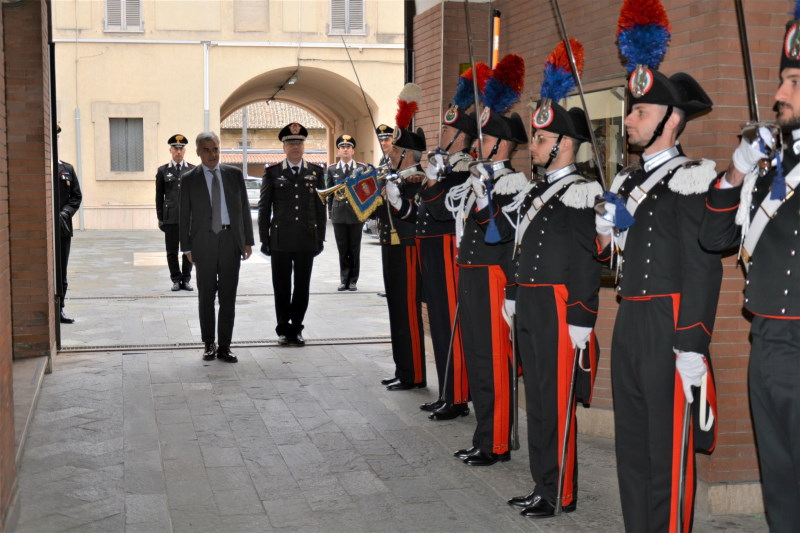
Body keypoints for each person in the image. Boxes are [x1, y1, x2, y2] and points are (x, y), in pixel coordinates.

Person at [595, 10, 721, 528]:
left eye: (640, 112)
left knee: (668, 449)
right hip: (630, 320)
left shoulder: (695, 178)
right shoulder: (625, 183)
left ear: (672, 119)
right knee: (633, 447)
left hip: (670, 324)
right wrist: (604, 231)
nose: (628, 120)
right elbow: (607, 260)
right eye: (630, 111)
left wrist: (692, 343)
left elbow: (704, 268)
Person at [698, 13, 800, 530]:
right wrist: (739, 166)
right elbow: (713, 239)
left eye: (794, 82)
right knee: (779, 481)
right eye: (783, 79)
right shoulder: (769, 172)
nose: (780, 92)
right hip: (765, 340)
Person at [505, 95, 602, 516]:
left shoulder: (582, 192)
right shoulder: (536, 189)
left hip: (559, 305)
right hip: (530, 301)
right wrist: (513, 290)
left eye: (541, 139)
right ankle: (542, 483)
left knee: (556, 399)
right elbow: (519, 246)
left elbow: (585, 260)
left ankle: (559, 490)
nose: (534, 146)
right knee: (538, 399)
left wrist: (581, 315)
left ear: (563, 143)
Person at [445, 53, 528, 467]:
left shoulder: (514, 181)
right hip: (471, 276)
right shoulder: (477, 176)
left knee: (495, 362)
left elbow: (500, 233)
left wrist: (483, 196)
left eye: (482, 139)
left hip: (495, 277)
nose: (474, 145)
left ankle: (497, 442)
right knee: (477, 357)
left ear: (501, 143)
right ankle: (483, 436)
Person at [416, 63, 490, 420]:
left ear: (462, 137)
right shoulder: (447, 165)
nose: (442, 135)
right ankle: (448, 389)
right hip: (432, 247)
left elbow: (443, 208)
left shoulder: (465, 166)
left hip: (448, 247)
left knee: (451, 322)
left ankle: (458, 394)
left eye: (448, 130)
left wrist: (432, 179)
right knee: (440, 323)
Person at [179, 131, 254, 363]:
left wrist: (247, 240)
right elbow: (184, 216)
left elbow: (243, 208)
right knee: (206, 297)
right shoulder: (189, 179)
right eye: (207, 150)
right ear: (198, 152)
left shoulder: (234, 175)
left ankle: (225, 346)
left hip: (230, 241)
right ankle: (209, 344)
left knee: (228, 297)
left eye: (215, 149)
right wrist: (187, 248)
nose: (212, 154)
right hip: (204, 243)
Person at [377, 84, 427, 391]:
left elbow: (416, 215)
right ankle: (402, 368)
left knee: (408, 312)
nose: (390, 153)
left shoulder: (419, 178)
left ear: (408, 154)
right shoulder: (396, 177)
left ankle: (414, 374)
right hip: (391, 249)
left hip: (408, 250)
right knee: (396, 310)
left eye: (395, 150)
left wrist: (397, 198)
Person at [259, 122, 326, 346]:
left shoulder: (316, 172)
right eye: (291, 143)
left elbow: (320, 207)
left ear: (304, 146)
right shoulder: (272, 172)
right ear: (284, 147)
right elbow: (263, 208)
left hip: (306, 238)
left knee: (302, 286)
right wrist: (264, 239)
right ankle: (282, 328)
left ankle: (296, 328)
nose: (295, 147)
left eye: (299, 142)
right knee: (281, 286)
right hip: (280, 240)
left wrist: (320, 237)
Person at [326, 135, 366, 291]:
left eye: (348, 147)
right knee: (342, 249)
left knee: (354, 249)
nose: (345, 149)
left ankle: (353, 280)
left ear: (353, 151)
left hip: (356, 214)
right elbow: (329, 192)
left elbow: (365, 192)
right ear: (338, 151)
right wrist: (331, 212)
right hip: (339, 214)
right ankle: (344, 279)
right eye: (342, 147)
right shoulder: (331, 169)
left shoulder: (362, 168)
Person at [156, 134, 194, 292]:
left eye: (181, 148)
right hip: (170, 218)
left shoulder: (192, 170)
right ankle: (176, 280)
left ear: (184, 150)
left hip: (189, 219)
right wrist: (160, 218)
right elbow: (159, 196)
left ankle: (186, 279)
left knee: (188, 250)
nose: (178, 151)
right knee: (171, 251)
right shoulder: (163, 171)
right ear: (170, 150)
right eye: (175, 148)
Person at [56, 125, 83, 324]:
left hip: (62, 227)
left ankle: (60, 308)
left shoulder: (67, 168)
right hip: (44, 227)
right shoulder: (40, 167)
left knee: (61, 269)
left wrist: (65, 213)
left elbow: (76, 196)